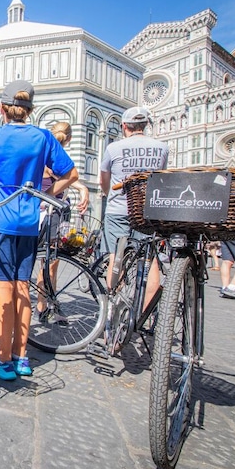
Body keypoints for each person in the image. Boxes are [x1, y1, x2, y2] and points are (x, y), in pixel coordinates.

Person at [0, 80, 78, 380]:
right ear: (30, 110)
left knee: (2, 288)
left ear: (3, 108)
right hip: (29, 222)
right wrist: (47, 195)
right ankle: (21, 358)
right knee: (22, 287)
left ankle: (2, 360)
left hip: (0, 221)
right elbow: (71, 174)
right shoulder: (43, 137)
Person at [99, 106, 168, 313]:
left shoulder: (113, 148)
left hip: (118, 209)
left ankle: (116, 312)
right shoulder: (162, 147)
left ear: (124, 126)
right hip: (147, 211)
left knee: (115, 257)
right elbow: (160, 176)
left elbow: (105, 178)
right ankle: (144, 316)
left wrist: (109, 194)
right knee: (150, 259)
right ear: (146, 125)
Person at [36, 122, 89, 321]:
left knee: (45, 262)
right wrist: (82, 189)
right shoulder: (53, 158)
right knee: (50, 263)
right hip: (52, 213)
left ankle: (47, 304)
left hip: (45, 213)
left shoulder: (44, 154)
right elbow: (63, 176)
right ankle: (44, 305)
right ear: (69, 139)